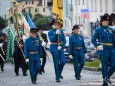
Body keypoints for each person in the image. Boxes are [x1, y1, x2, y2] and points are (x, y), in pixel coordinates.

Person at [91, 15, 115, 86]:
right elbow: (93, 40)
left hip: (111, 49)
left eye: (107, 21)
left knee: (113, 65)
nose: (106, 22)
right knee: (104, 66)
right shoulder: (98, 30)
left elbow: (113, 41)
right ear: (102, 22)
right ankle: (105, 81)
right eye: (105, 21)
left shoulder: (110, 29)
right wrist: (98, 46)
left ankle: (108, 76)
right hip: (103, 50)